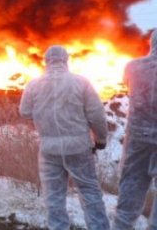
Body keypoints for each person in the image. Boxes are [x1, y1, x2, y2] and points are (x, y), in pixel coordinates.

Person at [20, 45, 109, 230]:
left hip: (49, 150)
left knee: (54, 199)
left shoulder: (34, 85)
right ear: (65, 60)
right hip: (79, 148)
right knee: (90, 194)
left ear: (46, 61)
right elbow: (96, 115)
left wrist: (43, 115)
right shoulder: (81, 82)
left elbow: (25, 111)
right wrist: (100, 140)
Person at [113, 30, 157, 229]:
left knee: (131, 185)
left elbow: (127, 85)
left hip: (138, 137)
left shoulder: (133, 66)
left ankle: (122, 226)